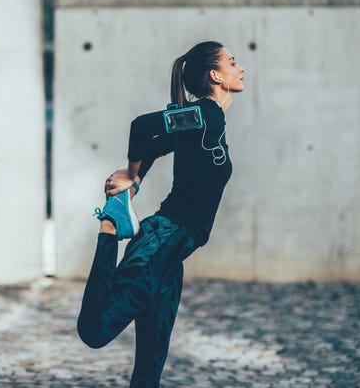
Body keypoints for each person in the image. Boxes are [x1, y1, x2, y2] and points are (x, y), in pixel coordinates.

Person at [76, 41, 246, 387]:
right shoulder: (203, 114)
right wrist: (128, 175)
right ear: (216, 75)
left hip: (171, 255)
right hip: (161, 242)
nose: (240, 67)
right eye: (232, 62)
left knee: (150, 366)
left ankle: (118, 213)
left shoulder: (206, 122)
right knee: (95, 332)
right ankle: (111, 225)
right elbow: (141, 128)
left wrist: (135, 180)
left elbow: (154, 145)